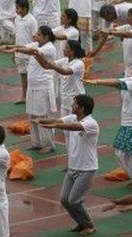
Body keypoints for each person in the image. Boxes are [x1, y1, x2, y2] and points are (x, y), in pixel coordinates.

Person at [84, 61, 132, 188]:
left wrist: (97, 82)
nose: (131, 73)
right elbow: (116, 80)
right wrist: (97, 80)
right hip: (128, 123)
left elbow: (118, 84)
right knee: (120, 151)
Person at [37, 95, 100, 234]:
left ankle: (89, 225)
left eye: (75, 104)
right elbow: (57, 120)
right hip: (73, 168)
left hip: (87, 169)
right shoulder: (72, 117)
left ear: (82, 108)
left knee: (73, 200)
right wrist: (40, 120)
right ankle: (81, 223)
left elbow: (73, 127)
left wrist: (56, 126)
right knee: (64, 199)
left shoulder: (91, 123)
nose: (72, 106)